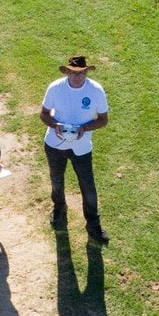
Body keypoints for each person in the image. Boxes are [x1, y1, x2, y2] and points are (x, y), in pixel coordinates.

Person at [39, 55, 110, 244]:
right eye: (72, 73)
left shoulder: (96, 91)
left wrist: (84, 128)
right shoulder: (55, 88)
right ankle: (59, 209)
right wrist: (56, 126)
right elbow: (44, 114)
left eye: (80, 73)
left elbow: (103, 119)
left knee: (88, 187)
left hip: (82, 148)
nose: (76, 77)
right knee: (56, 180)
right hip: (55, 145)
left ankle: (93, 225)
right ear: (67, 72)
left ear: (86, 72)